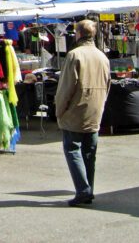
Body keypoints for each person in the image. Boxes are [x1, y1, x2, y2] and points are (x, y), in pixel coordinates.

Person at [55, 19, 111, 206]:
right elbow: (108, 84)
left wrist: (59, 110)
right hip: (95, 108)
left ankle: (83, 190)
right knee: (89, 151)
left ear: (78, 34)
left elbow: (66, 88)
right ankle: (88, 188)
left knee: (73, 149)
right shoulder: (102, 56)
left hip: (76, 109)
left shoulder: (75, 55)